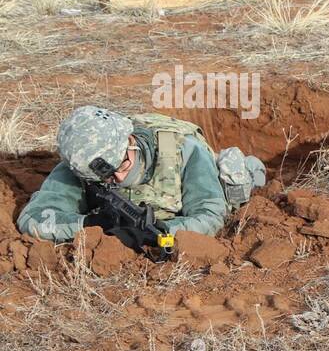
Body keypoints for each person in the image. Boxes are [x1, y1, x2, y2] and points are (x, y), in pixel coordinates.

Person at [17, 105, 265, 247]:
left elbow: (210, 216)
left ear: (130, 142)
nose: (117, 178)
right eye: (105, 178)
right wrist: (92, 225)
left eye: (122, 165)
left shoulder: (184, 149)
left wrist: (161, 232)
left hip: (194, 186)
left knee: (235, 180)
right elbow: (33, 219)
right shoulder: (83, 162)